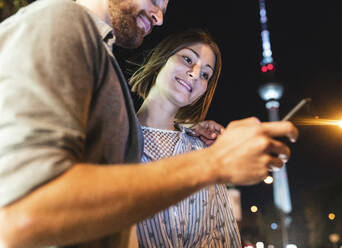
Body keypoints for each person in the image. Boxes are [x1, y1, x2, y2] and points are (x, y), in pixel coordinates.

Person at [0, 0, 298, 247]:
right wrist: (214, 163)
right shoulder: (62, 22)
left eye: (206, 74)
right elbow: (23, 211)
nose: (158, 17)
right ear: (161, 60)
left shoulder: (110, 83)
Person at [129, 28, 241, 247]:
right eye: (188, 58)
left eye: (206, 74)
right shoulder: (115, 136)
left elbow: (224, 236)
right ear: (162, 59)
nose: (195, 73)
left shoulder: (204, 151)